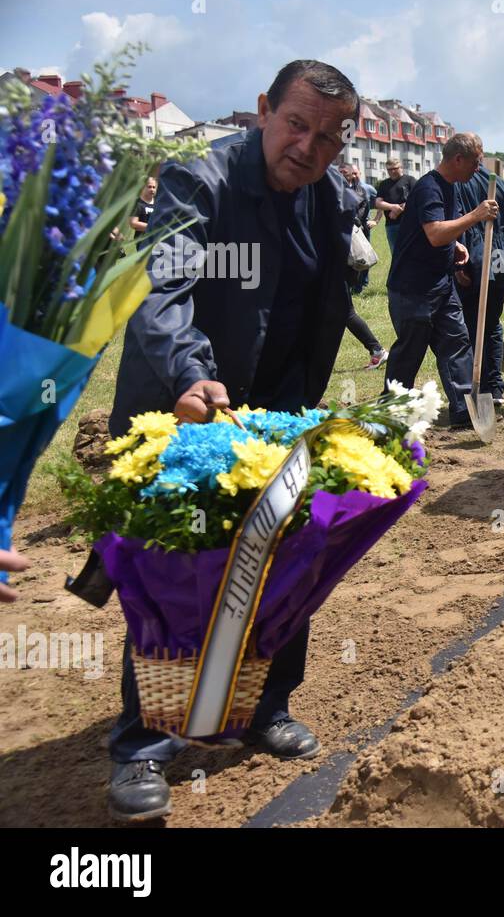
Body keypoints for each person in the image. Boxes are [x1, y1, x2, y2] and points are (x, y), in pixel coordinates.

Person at [105, 59, 363, 823]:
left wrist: (303, 410)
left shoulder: (328, 197)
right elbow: (162, 289)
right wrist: (192, 374)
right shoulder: (200, 180)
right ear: (262, 111)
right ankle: (142, 747)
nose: (308, 147)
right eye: (296, 125)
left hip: (278, 410)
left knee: (289, 560)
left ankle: (265, 705)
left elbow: (325, 302)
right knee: (175, 578)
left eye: (328, 136)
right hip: (190, 407)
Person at [386, 132, 499, 428]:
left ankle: (463, 409)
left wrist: (456, 245)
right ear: (458, 159)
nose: (478, 169)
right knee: (410, 351)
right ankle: (392, 412)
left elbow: (443, 233)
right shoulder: (428, 188)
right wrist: (475, 216)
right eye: (475, 163)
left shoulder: (451, 187)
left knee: (457, 342)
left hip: (441, 283)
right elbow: (435, 233)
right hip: (412, 289)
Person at [454, 161, 504, 406]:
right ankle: (493, 387)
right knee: (491, 323)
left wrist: (460, 264)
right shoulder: (503, 184)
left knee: (474, 322)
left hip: (476, 257)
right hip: (501, 256)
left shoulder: (460, 181)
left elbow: (458, 222)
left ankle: (486, 385)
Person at [338, 162, 388, 370]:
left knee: (345, 312)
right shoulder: (342, 196)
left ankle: (377, 350)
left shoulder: (346, 198)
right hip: (342, 265)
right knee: (337, 313)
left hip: (342, 265)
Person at [374, 158, 415, 255]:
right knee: (395, 254)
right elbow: (378, 203)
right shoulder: (384, 184)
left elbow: (416, 199)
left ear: (401, 168)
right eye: (389, 169)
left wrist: (398, 210)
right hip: (391, 225)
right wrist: (393, 207)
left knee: (411, 253)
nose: (392, 171)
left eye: (395, 168)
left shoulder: (410, 180)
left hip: (409, 224)